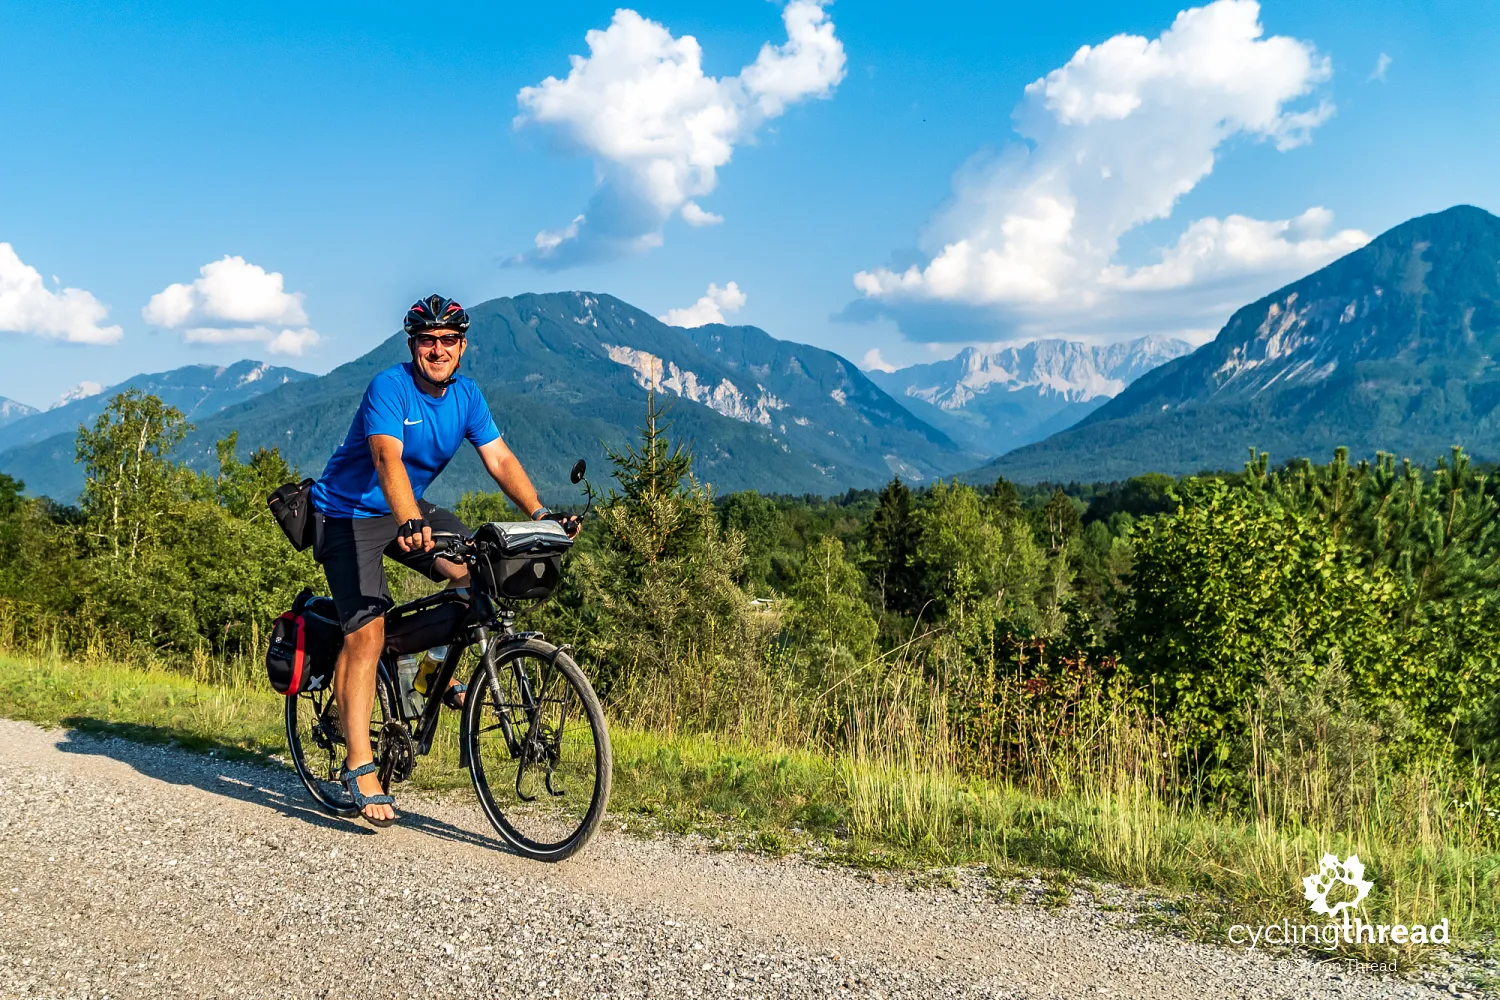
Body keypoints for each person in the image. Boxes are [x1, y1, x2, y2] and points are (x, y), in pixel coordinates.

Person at [309, 294, 572, 827]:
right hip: (348, 514)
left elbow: (498, 458)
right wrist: (409, 521)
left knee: (478, 574)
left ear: (462, 347)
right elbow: (387, 457)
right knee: (366, 633)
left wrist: (542, 514)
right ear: (413, 345)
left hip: (405, 508)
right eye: (427, 340)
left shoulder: (468, 397)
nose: (437, 349)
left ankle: (422, 671)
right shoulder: (390, 386)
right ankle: (359, 766)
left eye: (447, 341)